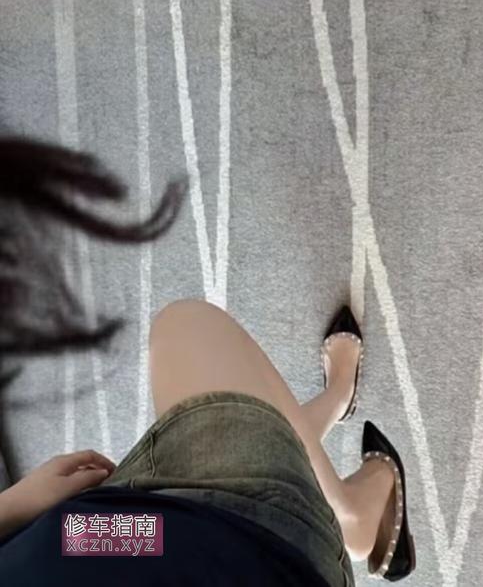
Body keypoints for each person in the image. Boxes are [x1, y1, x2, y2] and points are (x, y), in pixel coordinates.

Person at [0, 137, 415, 585]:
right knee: (191, 330)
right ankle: (348, 510)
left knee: (189, 342)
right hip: (253, 557)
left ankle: (331, 435)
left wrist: (12, 510)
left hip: (105, 534)